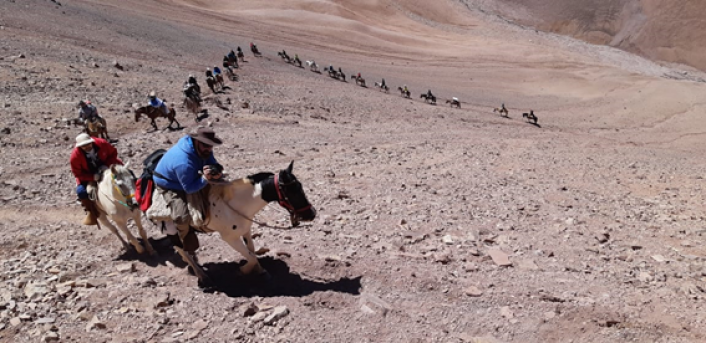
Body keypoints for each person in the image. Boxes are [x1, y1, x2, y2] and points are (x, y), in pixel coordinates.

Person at [153, 127, 224, 261]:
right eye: (205, 145)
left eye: (211, 146)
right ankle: (186, 240)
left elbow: (212, 162)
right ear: (196, 142)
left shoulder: (204, 150)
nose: (209, 149)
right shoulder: (183, 162)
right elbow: (189, 188)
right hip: (170, 184)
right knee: (181, 216)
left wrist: (217, 170)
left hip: (188, 175)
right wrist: (204, 179)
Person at [70, 133, 123, 225]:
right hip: (90, 174)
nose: (87, 147)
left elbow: (113, 152)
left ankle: (139, 196)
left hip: (107, 166)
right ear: (79, 147)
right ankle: (92, 212)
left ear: (92, 141)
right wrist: (92, 177)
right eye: (83, 146)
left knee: (127, 174)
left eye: (88, 144)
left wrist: (106, 165)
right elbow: (78, 174)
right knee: (81, 192)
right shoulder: (75, 157)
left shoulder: (102, 143)